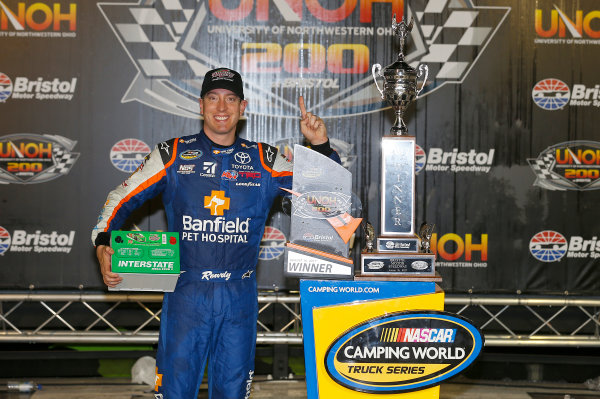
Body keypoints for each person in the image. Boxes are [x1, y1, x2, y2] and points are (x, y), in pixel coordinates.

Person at [91, 67, 340, 399]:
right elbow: (119, 197)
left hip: (239, 295)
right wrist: (103, 241)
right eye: (213, 98)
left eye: (230, 99)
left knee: (232, 393)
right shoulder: (172, 154)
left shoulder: (265, 159)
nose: (221, 107)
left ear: (242, 107)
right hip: (186, 293)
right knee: (175, 392)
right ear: (200, 105)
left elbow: (327, 196)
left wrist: (320, 145)